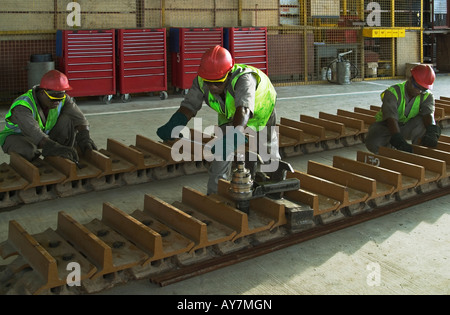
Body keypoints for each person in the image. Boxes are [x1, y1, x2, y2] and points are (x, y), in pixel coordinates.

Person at [157, 45, 279, 195]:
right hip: (231, 115)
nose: (213, 87)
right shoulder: (202, 81)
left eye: (218, 83)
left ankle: (276, 184)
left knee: (266, 152)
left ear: (229, 74)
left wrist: (235, 135)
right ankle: (215, 194)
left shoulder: (244, 79)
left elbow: (244, 110)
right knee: (222, 151)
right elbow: (190, 105)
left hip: (261, 113)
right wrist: (175, 123)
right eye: (209, 83)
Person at [0, 70, 97, 163]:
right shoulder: (22, 106)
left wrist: (85, 136)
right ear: (42, 93)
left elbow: (80, 119)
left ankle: (61, 157)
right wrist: (53, 146)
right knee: (28, 150)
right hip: (18, 136)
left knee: (68, 121)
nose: (57, 102)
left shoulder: (62, 98)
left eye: (60, 97)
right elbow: (34, 133)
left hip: (44, 135)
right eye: (54, 98)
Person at [365, 64, 440, 154]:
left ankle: (420, 151)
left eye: (423, 89)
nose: (419, 91)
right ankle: (389, 150)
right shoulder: (393, 92)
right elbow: (390, 118)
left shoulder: (427, 95)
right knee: (373, 142)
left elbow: (428, 114)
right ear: (410, 78)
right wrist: (398, 140)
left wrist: (432, 131)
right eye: (417, 87)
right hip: (386, 126)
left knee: (423, 123)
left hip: (407, 125)